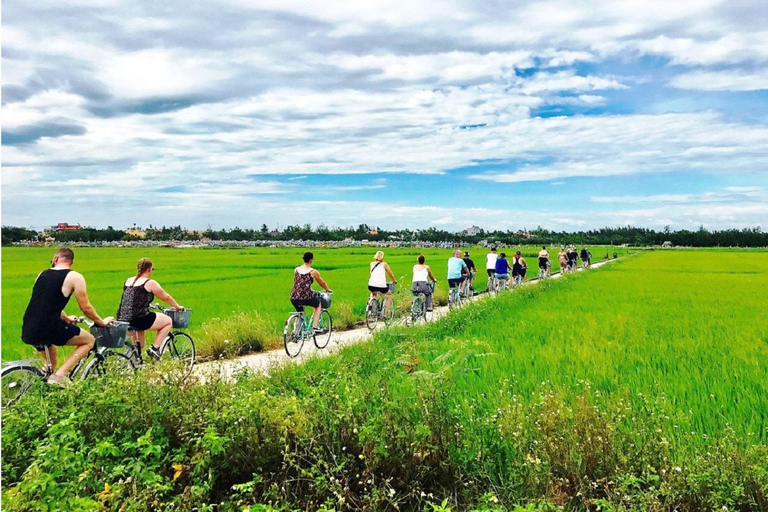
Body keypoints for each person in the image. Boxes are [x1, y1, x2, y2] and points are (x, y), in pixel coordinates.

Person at [21, 248, 114, 386]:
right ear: (71, 262)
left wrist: (67, 318)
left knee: (50, 364)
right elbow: (86, 308)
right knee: (89, 340)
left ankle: (45, 386)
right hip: (49, 326)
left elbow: (45, 303)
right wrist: (101, 322)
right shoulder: (75, 277)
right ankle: (60, 376)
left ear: (56, 259)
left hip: (29, 325)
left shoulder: (42, 274)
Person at [117, 258, 184, 359]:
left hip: (122, 318)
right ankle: (155, 348)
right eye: (152, 269)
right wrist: (177, 307)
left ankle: (133, 365)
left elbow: (132, 300)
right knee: (168, 321)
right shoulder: (149, 282)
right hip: (139, 319)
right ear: (149, 269)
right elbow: (166, 297)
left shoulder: (128, 280)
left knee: (139, 346)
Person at [290, 252, 332, 333]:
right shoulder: (313, 271)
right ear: (311, 260)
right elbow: (321, 283)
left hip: (294, 296)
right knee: (318, 304)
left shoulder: (296, 270)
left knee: (300, 312)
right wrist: (327, 289)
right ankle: (315, 327)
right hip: (306, 297)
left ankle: (295, 332)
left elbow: (299, 285)